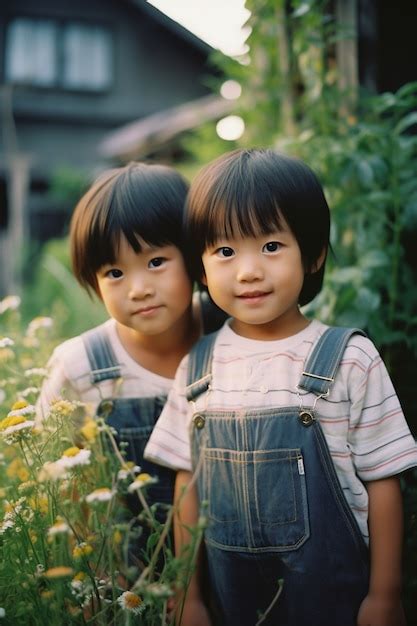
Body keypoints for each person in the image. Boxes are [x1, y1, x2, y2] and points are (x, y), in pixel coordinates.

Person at [144, 148, 417, 626]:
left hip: (337, 600)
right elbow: (186, 484)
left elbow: (383, 482)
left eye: (271, 246)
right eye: (225, 251)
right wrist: (188, 596)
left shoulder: (350, 358)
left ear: (312, 254)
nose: (248, 270)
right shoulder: (199, 365)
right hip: (231, 603)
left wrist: (385, 596)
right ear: (202, 269)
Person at [36, 161, 226, 559]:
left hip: (235, 565)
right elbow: (59, 479)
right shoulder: (81, 366)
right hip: (131, 574)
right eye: (114, 272)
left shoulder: (234, 334)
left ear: (193, 256)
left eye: (156, 262)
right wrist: (97, 575)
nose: (139, 289)